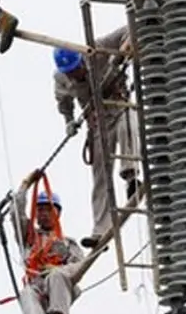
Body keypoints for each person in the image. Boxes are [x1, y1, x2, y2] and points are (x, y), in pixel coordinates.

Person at [52, 32, 140, 249]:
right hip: (97, 122)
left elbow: (130, 27)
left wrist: (120, 53)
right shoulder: (61, 78)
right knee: (100, 176)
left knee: (129, 125)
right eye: (70, 72)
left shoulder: (97, 48)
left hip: (119, 107)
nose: (75, 75)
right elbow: (63, 101)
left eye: (77, 69)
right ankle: (100, 230)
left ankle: (131, 177)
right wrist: (69, 120)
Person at [11, 169, 85, 314]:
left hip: (61, 288)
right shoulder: (29, 236)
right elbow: (15, 212)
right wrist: (26, 184)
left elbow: (80, 266)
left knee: (56, 275)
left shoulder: (68, 244)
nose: (43, 213)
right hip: (38, 287)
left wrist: (59, 270)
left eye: (48, 210)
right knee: (26, 293)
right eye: (40, 210)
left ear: (57, 213)